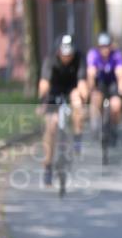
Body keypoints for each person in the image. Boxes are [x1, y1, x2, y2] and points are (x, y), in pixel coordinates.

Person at [37, 34, 88, 186]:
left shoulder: (79, 58)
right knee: (51, 126)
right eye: (64, 54)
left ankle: (78, 136)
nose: (67, 57)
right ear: (59, 52)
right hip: (54, 90)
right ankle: (47, 165)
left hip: (71, 88)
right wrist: (42, 103)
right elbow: (44, 84)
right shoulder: (50, 60)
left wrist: (83, 99)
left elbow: (82, 83)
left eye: (69, 54)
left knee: (77, 101)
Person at [86, 32, 122, 142]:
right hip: (99, 82)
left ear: (111, 45)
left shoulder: (116, 55)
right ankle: (95, 123)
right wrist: (90, 89)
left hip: (112, 83)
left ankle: (114, 126)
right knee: (96, 98)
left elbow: (120, 72)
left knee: (116, 105)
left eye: (107, 46)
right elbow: (91, 72)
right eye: (102, 47)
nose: (105, 49)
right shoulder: (93, 54)